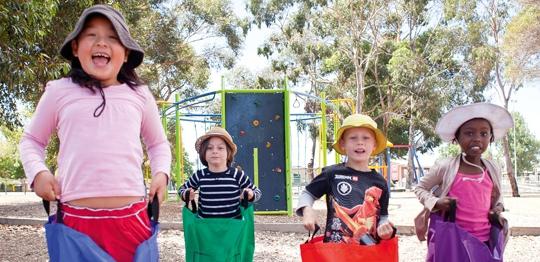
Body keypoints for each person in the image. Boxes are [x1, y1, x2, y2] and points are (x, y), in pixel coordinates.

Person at [19, 4, 171, 261]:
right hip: (76, 224)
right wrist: (39, 173)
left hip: (132, 222)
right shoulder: (59, 91)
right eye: (91, 35)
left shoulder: (139, 94)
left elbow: (157, 144)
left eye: (113, 37)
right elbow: (31, 140)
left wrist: (162, 174)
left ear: (125, 54)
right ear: (76, 48)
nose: (102, 42)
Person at [414, 103, 512, 247]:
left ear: (490, 138)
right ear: (457, 138)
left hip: (484, 239)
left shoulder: (493, 168)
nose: (477, 138)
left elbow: (497, 196)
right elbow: (419, 188)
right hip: (453, 239)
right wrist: (436, 202)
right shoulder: (445, 166)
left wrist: (498, 208)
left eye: (484, 134)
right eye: (469, 133)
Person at [296, 114, 395, 244]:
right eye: (353, 138)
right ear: (343, 143)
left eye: (366, 138)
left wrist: (385, 229)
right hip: (334, 252)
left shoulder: (380, 182)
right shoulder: (331, 174)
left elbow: (383, 217)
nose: (360, 142)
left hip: (368, 253)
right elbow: (307, 194)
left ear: (374, 144)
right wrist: (307, 210)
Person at [179, 126, 261, 218]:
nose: (214, 151)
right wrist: (186, 194)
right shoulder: (199, 175)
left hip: (233, 227)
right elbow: (181, 189)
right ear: (203, 153)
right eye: (209, 148)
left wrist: (251, 194)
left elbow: (257, 192)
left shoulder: (238, 175)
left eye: (220, 148)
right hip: (205, 227)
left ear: (228, 152)